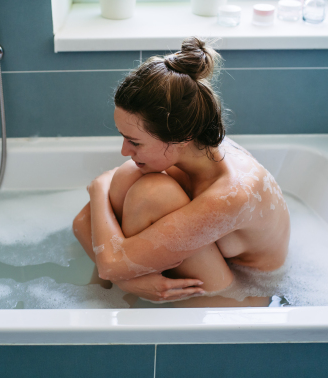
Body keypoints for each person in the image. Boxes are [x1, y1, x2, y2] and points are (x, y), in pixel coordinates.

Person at [72, 37, 290, 307]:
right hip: (205, 277)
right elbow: (81, 223)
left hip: (238, 297)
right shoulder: (190, 150)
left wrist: (98, 190)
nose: (124, 151)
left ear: (181, 137)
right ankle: (116, 296)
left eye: (135, 142)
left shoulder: (231, 193)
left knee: (151, 194)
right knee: (128, 176)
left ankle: (116, 303)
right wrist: (127, 278)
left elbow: (108, 262)